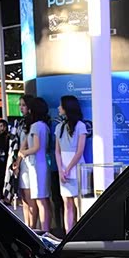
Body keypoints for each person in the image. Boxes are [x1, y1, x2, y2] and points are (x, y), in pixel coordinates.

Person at [14, 96, 52, 232]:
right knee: (41, 200)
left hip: (36, 165)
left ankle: (44, 231)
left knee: (41, 200)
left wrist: (23, 153)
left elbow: (36, 147)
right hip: (38, 164)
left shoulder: (36, 126)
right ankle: (43, 230)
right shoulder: (42, 125)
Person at [54, 95, 88, 233]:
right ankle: (68, 234)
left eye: (61, 105)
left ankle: (80, 234)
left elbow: (79, 152)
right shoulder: (59, 127)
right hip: (63, 171)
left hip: (77, 170)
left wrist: (67, 169)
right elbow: (57, 151)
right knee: (66, 204)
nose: (58, 108)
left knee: (79, 204)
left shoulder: (81, 126)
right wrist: (61, 171)